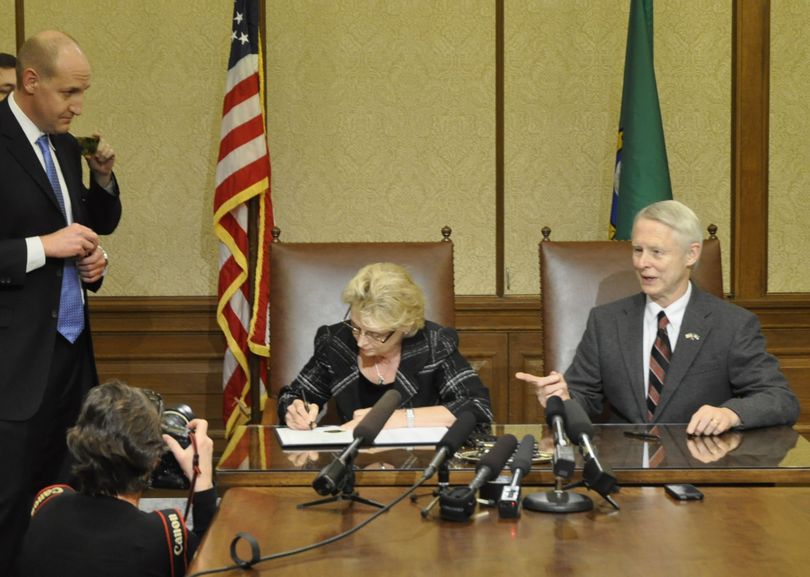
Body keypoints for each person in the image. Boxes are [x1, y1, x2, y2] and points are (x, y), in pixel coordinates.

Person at [517, 200, 799, 436]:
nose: (642, 263)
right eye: (638, 250)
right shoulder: (606, 322)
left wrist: (729, 413)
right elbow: (585, 399)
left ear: (691, 254)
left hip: (700, 470)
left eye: (657, 252)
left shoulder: (732, 324)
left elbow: (779, 398)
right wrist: (563, 400)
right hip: (622, 469)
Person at [0, 30, 122, 575]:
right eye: (69, 92)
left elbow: (80, 232)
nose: (78, 106)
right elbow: (45, 242)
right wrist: (42, 247)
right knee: (8, 509)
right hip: (13, 365)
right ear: (31, 81)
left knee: (69, 500)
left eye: (83, 93)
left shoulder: (66, 148)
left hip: (72, 359)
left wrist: (92, 263)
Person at [18, 380, 217, 577]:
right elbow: (213, 566)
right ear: (154, 459)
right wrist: (203, 482)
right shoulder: (162, 535)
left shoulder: (47, 506)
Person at [278, 262, 493, 430]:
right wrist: (295, 411)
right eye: (355, 327)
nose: (361, 341)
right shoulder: (337, 342)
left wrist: (395, 418)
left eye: (375, 334)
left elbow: (476, 406)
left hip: (420, 465)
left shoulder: (434, 344)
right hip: (351, 467)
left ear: (405, 326)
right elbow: (294, 396)